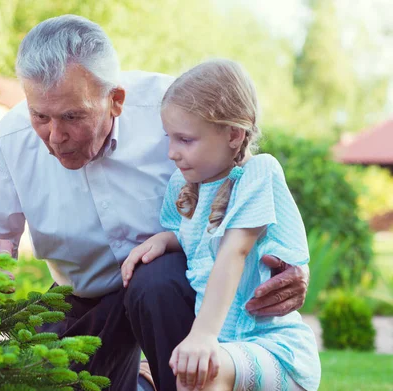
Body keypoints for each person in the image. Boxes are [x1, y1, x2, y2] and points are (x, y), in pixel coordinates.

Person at [0, 15, 311, 391]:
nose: (55, 136)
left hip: (178, 289)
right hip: (87, 298)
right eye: (40, 116)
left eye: (73, 116)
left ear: (116, 101)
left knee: (154, 282)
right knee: (48, 380)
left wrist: (292, 265)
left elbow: (245, 179)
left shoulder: (179, 112)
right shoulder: (8, 144)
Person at [121, 59, 321, 391]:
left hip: (272, 348)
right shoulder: (184, 186)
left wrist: (202, 334)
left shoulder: (258, 174)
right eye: (169, 138)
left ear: (233, 134)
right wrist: (165, 239)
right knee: (186, 376)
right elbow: (195, 238)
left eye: (185, 140)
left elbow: (234, 251)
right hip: (225, 347)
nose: (172, 152)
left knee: (203, 372)